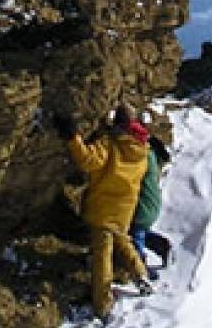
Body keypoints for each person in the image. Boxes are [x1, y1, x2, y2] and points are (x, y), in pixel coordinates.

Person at [53, 107, 153, 318]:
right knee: (122, 240)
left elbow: (87, 160)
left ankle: (103, 304)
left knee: (102, 256)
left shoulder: (111, 145)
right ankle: (140, 274)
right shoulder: (142, 151)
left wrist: (72, 136)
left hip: (104, 208)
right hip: (125, 210)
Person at [126, 112, 171, 276]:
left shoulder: (143, 155)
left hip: (143, 205)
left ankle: (141, 269)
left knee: (135, 233)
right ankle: (160, 245)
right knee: (139, 230)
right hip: (152, 203)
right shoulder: (151, 153)